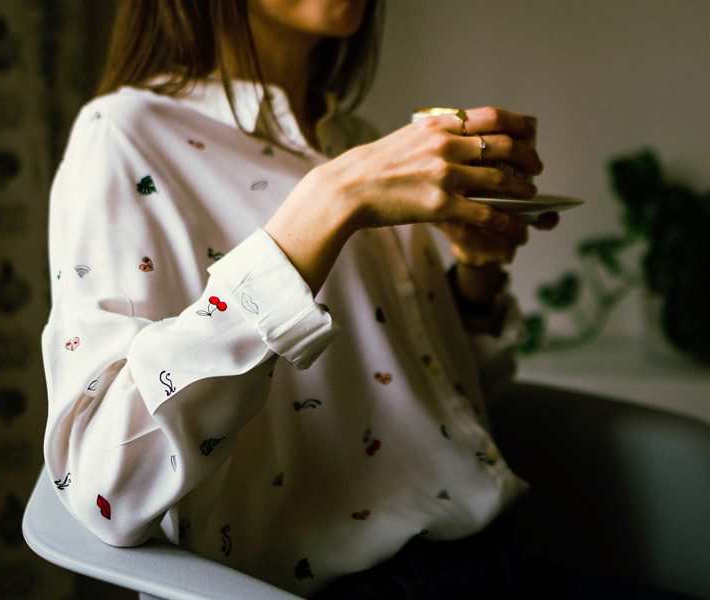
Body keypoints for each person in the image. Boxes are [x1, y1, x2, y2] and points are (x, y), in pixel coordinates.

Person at [41, 0, 567, 597]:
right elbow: (104, 490)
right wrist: (330, 203)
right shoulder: (121, 134)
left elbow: (433, 411)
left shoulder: (358, 141)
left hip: (498, 551)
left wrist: (478, 275)